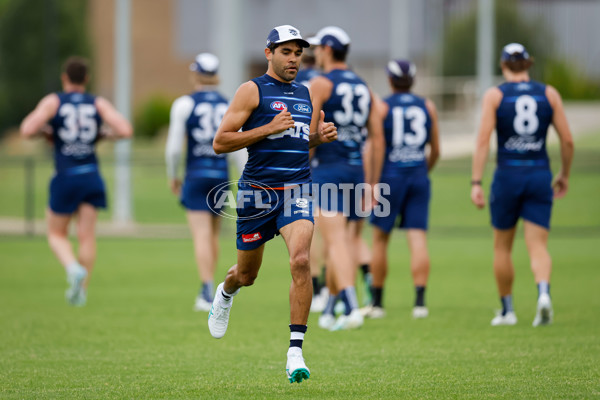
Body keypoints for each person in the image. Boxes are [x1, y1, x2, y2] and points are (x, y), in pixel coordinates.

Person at [208, 25, 337, 384]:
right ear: (269, 53)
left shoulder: (306, 93)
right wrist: (265, 128)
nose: (294, 58)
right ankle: (225, 292)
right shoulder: (251, 90)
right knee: (246, 275)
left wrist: (318, 138)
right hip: (256, 194)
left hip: (296, 190)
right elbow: (221, 142)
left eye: (298, 52)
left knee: (301, 260)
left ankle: (295, 350)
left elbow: (296, 142)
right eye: (286, 51)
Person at [471, 43, 574, 327]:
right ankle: (543, 294)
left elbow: (483, 140)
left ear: (503, 65)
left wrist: (476, 181)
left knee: (502, 247)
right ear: (528, 65)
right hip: (540, 174)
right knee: (538, 245)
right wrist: (564, 173)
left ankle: (508, 310)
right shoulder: (548, 93)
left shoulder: (495, 95)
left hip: (507, 175)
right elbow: (568, 140)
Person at [20, 56, 133, 306]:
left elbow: (27, 129)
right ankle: (81, 291)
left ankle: (72, 268)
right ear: (87, 79)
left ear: (64, 78)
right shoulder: (97, 103)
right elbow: (125, 130)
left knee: (56, 233)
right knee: (87, 236)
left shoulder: (54, 101)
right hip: (91, 175)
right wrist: (102, 135)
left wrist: (47, 132)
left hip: (66, 176)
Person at [307, 26, 385, 331]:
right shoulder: (364, 86)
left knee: (335, 242)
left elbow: (309, 135)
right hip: (355, 171)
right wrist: (373, 183)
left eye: (317, 48)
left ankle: (351, 306)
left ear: (326, 50)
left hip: (328, 169)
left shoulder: (320, 84)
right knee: (346, 242)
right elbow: (377, 139)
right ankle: (329, 308)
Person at [366, 60, 440, 319]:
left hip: (389, 179)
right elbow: (436, 151)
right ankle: (420, 303)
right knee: (417, 238)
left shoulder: (382, 107)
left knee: (380, 240)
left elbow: (376, 146)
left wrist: (372, 183)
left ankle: (377, 303)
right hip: (418, 176)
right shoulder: (427, 106)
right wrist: (422, 171)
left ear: (390, 80)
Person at [165, 53, 230, 312]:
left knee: (201, 235)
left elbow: (173, 148)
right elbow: (238, 147)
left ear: (196, 74)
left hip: (196, 174)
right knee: (213, 235)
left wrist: (173, 174)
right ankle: (213, 289)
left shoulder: (184, 104)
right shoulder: (229, 103)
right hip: (221, 175)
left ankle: (206, 289)